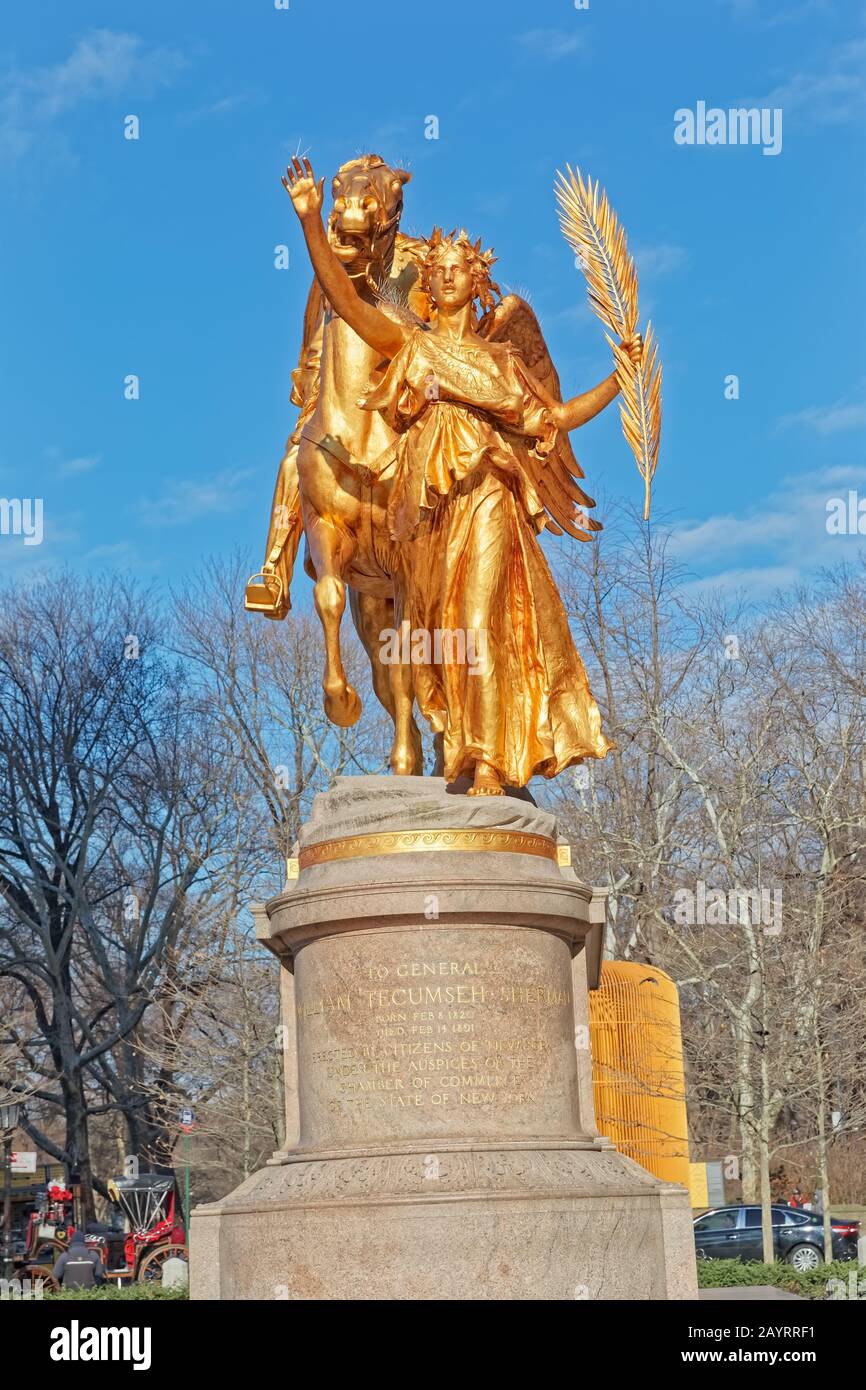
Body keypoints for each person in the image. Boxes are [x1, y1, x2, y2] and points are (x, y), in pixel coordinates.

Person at [283, 157, 642, 794]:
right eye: (439, 271)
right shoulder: (408, 345)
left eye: (457, 272)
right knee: (431, 637)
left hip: (486, 499)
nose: (444, 278)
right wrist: (311, 221)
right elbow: (342, 297)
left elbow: (554, 416)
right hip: (428, 515)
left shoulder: (501, 359)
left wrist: (622, 376)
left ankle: (485, 760)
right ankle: (281, 555)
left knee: (476, 628)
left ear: (473, 284)